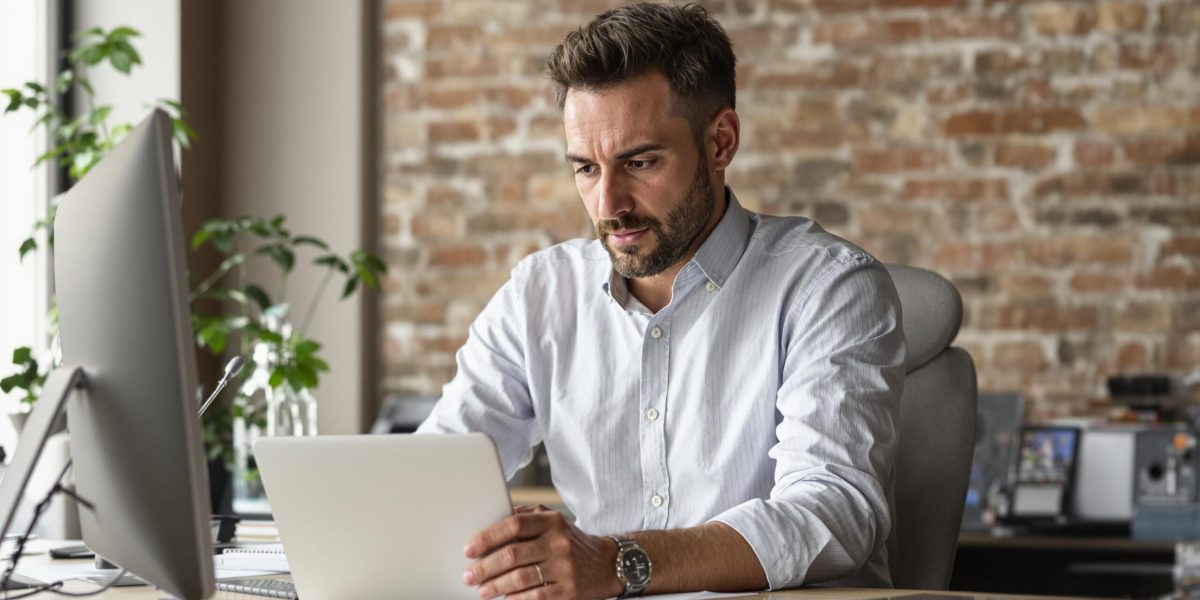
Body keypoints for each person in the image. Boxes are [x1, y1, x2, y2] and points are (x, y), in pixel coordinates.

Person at [416, 3, 906, 598]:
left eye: (640, 162)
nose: (608, 206)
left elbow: (833, 512)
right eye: (585, 169)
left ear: (721, 142)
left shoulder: (829, 287)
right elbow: (430, 478)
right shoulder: (539, 295)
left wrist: (616, 563)